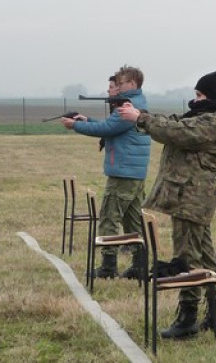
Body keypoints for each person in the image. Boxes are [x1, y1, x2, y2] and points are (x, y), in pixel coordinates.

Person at [117, 70, 216, 338]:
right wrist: (141, 115)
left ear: (213, 97)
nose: (195, 100)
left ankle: (187, 317)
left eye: (200, 95)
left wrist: (141, 119)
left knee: (187, 259)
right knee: (204, 255)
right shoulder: (202, 117)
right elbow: (173, 122)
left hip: (191, 199)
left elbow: (177, 131)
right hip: (189, 198)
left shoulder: (213, 123)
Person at [60, 66, 150, 280]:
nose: (116, 88)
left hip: (123, 171)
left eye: (120, 83)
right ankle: (140, 265)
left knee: (110, 218)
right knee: (133, 220)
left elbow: (107, 129)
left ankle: (109, 266)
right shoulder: (136, 105)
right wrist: (86, 121)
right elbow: (110, 126)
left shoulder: (128, 108)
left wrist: (76, 126)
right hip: (133, 172)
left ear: (132, 85)